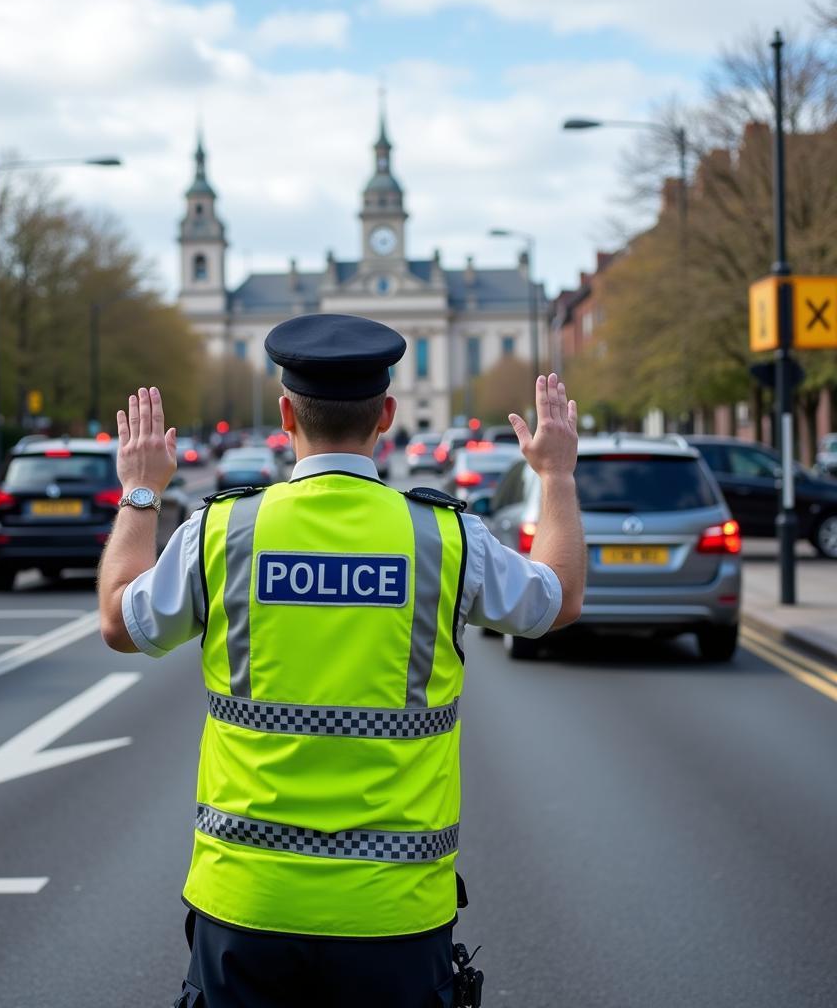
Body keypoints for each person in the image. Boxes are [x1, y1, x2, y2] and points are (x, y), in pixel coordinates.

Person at [97, 314, 585, 1008]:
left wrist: (141, 490)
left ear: (285, 413)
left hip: (247, 906)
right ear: (387, 415)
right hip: (395, 913)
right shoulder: (448, 540)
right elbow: (559, 599)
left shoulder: (223, 531)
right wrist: (557, 476)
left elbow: (120, 622)